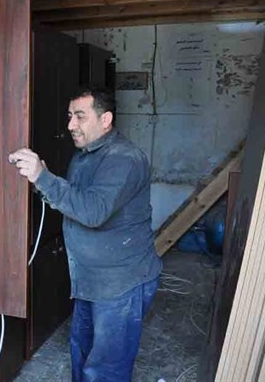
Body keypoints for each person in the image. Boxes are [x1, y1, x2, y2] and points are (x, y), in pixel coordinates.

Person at [8, 86, 162, 382]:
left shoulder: (124, 159)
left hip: (121, 283)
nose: (70, 125)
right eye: (69, 116)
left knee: (106, 368)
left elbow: (93, 212)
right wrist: (42, 182)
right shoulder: (84, 156)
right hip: (89, 279)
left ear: (105, 119)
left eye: (80, 116)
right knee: (81, 350)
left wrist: (43, 177)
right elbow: (76, 201)